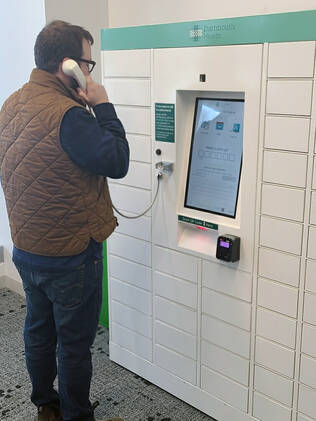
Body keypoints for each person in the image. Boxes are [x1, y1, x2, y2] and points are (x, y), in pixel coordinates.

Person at [0, 20, 129, 421]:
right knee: (73, 344)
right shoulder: (70, 116)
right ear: (69, 65)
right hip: (71, 255)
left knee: (38, 329)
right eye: (88, 64)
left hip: (27, 248)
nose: (90, 73)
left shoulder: (11, 103)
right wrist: (102, 105)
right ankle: (77, 415)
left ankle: (45, 405)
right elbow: (117, 161)